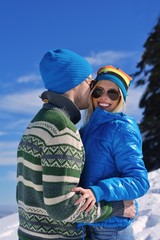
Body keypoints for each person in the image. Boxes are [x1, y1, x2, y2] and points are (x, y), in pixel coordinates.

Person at [16, 50, 136, 240]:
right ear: (75, 82)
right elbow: (62, 207)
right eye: (90, 81)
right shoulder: (63, 131)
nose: (91, 87)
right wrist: (116, 208)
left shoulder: (36, 124)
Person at [72, 65, 150, 240]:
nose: (104, 98)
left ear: (121, 97)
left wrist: (99, 191)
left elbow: (139, 181)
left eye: (112, 93)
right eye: (98, 91)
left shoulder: (122, 128)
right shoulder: (85, 131)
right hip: (90, 225)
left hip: (112, 230)